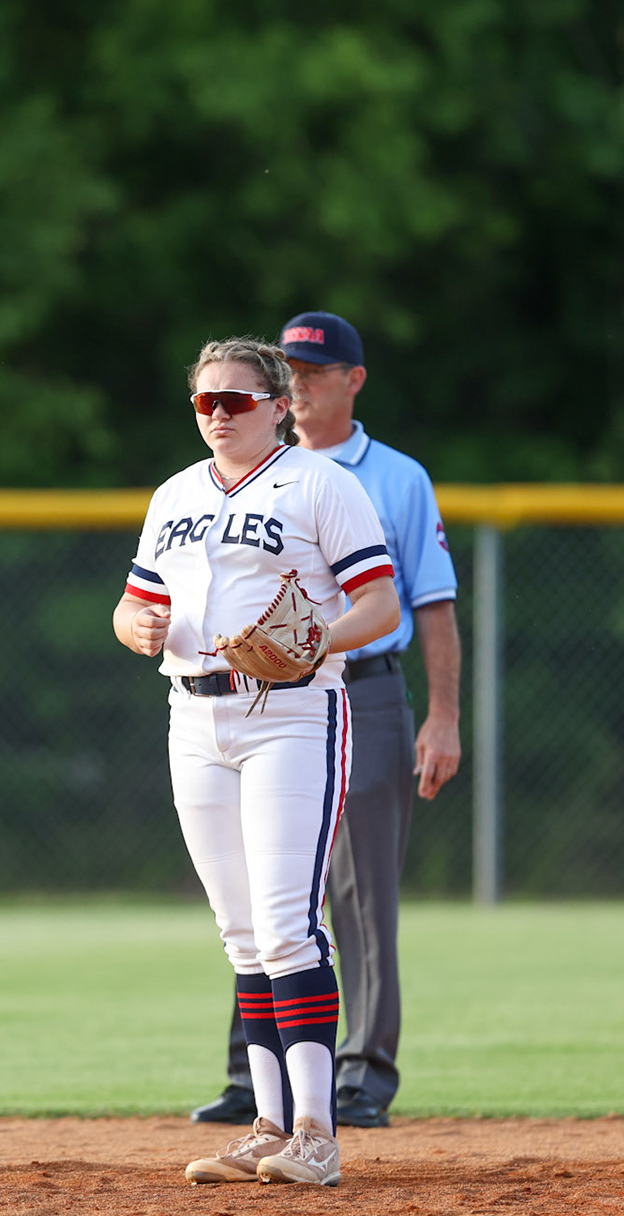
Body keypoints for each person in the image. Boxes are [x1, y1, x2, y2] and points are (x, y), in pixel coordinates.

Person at [115, 336, 400, 1186]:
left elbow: (378, 603)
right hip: (193, 716)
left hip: (290, 713)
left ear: (278, 404)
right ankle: (269, 1124)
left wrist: (313, 640)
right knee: (242, 934)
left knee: (287, 923)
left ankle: (317, 1132)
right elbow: (132, 609)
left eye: (236, 400)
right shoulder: (173, 495)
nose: (219, 416)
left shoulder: (322, 484)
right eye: (205, 402)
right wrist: (141, 630)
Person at [190, 312, 460, 1130]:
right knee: (260, 889)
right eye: (291, 374)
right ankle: (253, 1075)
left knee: (358, 883)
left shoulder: (395, 478)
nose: (300, 386)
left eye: (316, 372)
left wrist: (442, 715)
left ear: (354, 380)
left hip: (365, 689)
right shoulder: (226, 476)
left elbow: (431, 602)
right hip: (241, 698)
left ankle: (364, 1072)